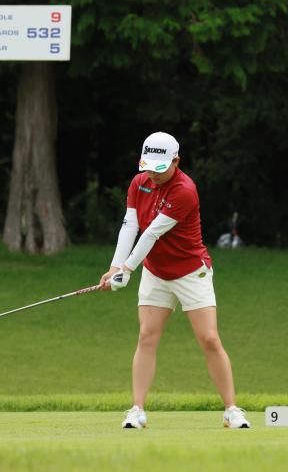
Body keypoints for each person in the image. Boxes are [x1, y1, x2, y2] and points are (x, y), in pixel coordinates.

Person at [100, 131, 250, 429]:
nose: (153, 175)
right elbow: (130, 225)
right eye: (148, 167)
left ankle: (232, 410)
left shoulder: (185, 190)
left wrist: (127, 270)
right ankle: (137, 410)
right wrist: (115, 266)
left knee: (209, 339)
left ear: (176, 161)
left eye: (160, 168)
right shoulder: (138, 183)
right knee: (147, 337)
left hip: (191, 272)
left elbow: (152, 233)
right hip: (156, 272)